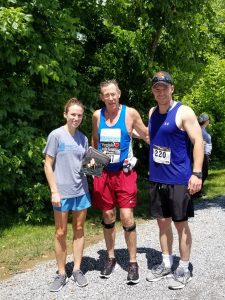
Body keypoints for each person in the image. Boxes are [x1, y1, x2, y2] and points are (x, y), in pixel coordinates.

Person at [146, 71, 203, 290]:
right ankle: (167, 263)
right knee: (162, 223)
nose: (160, 91)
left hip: (179, 179)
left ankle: (184, 267)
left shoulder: (184, 111)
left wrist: (196, 173)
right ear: (153, 91)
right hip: (157, 177)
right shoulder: (152, 112)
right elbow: (154, 138)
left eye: (164, 87)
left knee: (180, 225)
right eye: (156, 88)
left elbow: (197, 141)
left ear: (172, 88)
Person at [92, 79, 148, 284]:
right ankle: (110, 257)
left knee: (126, 217)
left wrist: (170, 139)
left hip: (124, 173)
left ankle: (133, 262)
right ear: (102, 97)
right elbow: (94, 142)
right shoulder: (97, 115)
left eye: (113, 94)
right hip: (104, 173)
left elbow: (146, 134)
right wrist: (93, 169)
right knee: (107, 214)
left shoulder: (130, 113)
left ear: (119, 94)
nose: (110, 98)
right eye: (106, 94)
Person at [43, 97, 91, 292]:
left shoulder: (83, 138)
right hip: (61, 193)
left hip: (81, 191)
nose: (76, 118)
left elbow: (85, 164)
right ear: (65, 114)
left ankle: (77, 269)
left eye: (79, 115)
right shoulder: (56, 135)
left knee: (79, 229)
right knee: (61, 232)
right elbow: (48, 164)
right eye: (73, 114)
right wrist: (54, 190)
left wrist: (92, 165)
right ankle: (62, 273)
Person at [196, 113, 212, 196]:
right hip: (202, 153)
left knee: (203, 173)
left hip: (206, 154)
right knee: (203, 173)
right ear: (206, 121)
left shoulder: (203, 129)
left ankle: (198, 191)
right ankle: (197, 192)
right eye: (208, 120)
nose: (208, 121)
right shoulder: (200, 130)